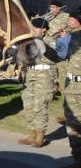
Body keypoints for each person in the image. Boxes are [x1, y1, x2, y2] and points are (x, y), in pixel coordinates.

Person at [18, 22, 56, 148]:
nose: (33, 30)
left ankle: (40, 136)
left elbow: (54, 55)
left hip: (44, 76)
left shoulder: (51, 39)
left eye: (36, 27)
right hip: (30, 75)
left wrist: (40, 41)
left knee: (40, 105)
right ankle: (32, 134)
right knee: (28, 104)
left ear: (44, 29)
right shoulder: (30, 40)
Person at [56, 13, 81, 167]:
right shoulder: (71, 36)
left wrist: (63, 39)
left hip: (74, 88)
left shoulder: (73, 38)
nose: (69, 21)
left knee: (73, 125)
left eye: (72, 19)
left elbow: (60, 54)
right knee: (74, 125)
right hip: (72, 86)